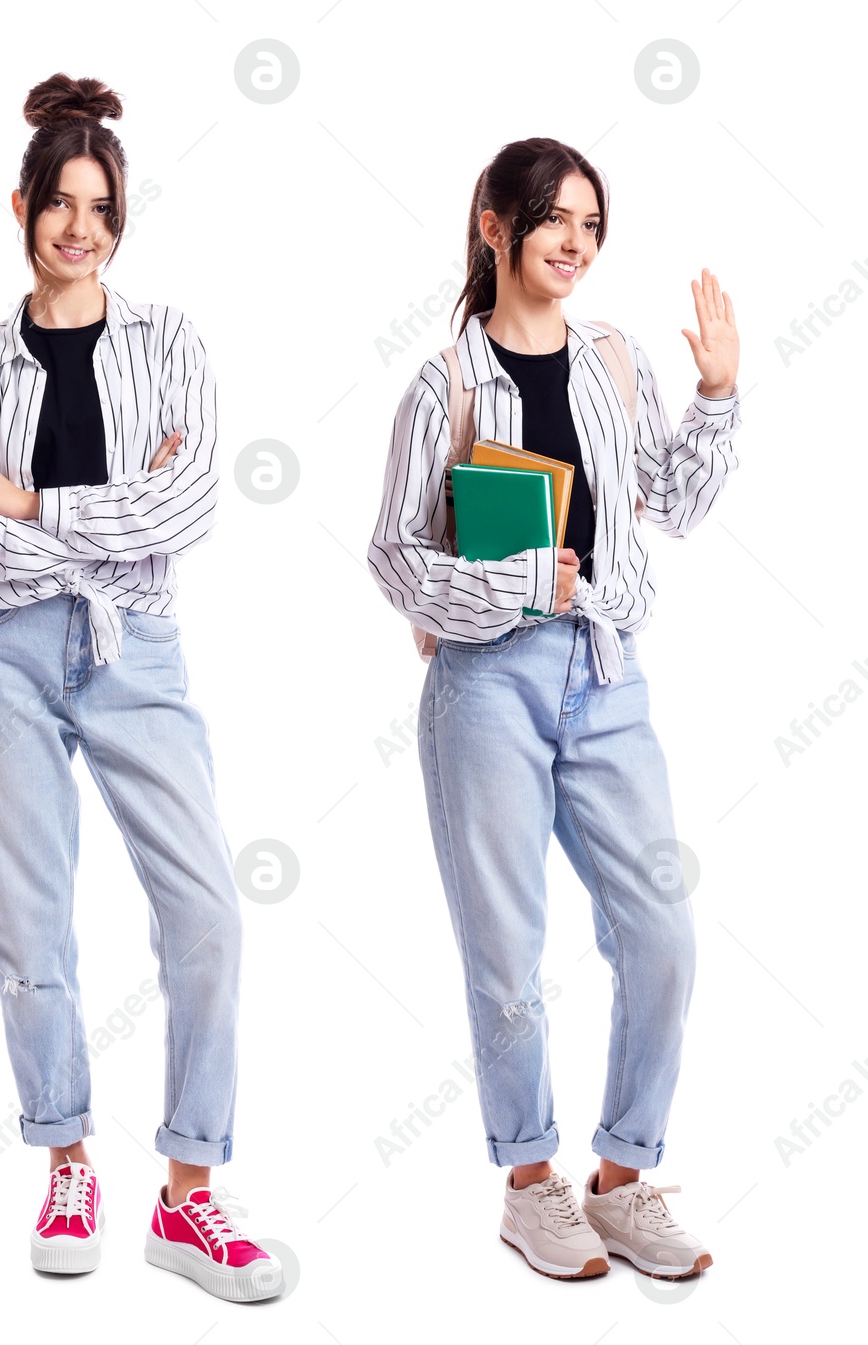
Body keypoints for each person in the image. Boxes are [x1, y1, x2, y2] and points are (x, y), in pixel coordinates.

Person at [0, 72, 281, 1304]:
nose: (79, 226)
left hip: (136, 650)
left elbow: (189, 507)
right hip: (7, 655)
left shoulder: (170, 340)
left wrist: (28, 500)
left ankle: (188, 1195)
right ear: (22, 205)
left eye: (101, 207)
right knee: (31, 929)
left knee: (207, 915)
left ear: (119, 219)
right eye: (60, 203)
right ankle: (65, 1156)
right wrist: (96, 521)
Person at [369, 136, 739, 1281]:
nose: (574, 243)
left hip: (605, 676)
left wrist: (719, 394)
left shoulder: (617, 361)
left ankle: (620, 1183)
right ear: (494, 226)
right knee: (507, 954)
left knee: (661, 934)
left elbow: (672, 501)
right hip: (485, 684)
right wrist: (516, 584)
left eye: (590, 224)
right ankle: (531, 1187)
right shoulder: (443, 384)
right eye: (553, 221)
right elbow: (393, 557)